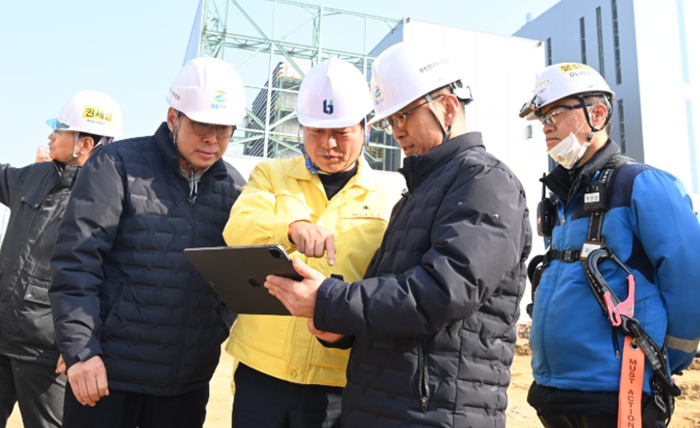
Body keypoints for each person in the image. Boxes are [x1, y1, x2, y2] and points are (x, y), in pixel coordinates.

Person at [265, 42, 532, 428]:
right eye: (391, 120)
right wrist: (341, 329)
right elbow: (395, 301)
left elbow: (444, 291)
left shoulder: (485, 181)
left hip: (435, 412)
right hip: (393, 406)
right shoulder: (421, 191)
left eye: (405, 115)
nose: (396, 131)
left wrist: (331, 300)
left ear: (448, 107)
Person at [49, 57, 247, 428]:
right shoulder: (116, 165)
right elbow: (76, 263)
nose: (212, 138)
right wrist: (80, 349)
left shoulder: (235, 189)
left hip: (185, 387)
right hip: (105, 376)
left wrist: (212, 332)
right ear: (173, 117)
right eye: (201, 124)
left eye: (223, 128)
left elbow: (232, 282)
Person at [518, 62, 700, 428]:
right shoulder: (560, 198)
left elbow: (689, 280)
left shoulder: (642, 184)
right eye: (541, 119)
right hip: (554, 392)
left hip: (619, 394)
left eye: (555, 113)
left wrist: (664, 360)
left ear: (598, 114)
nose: (546, 126)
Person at [222, 57, 398, 428]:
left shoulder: (389, 196)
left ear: (365, 129)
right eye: (316, 131)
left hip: (335, 377)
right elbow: (237, 229)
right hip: (261, 372)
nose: (328, 144)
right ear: (301, 129)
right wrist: (291, 227)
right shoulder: (271, 175)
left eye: (341, 132)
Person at [0, 91, 121, 428]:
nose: (51, 136)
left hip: (49, 351)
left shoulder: (110, 198)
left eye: (60, 129)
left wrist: (81, 346)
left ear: (85, 144)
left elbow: (112, 280)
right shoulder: (31, 177)